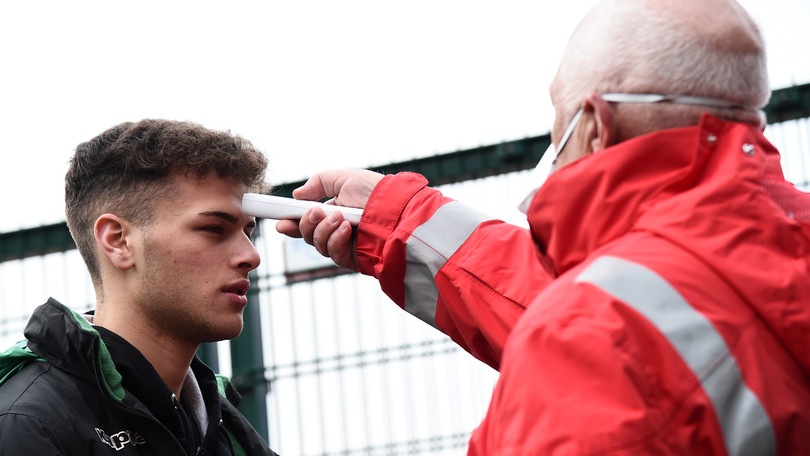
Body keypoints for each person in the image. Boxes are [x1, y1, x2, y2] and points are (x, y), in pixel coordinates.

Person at [276, 0, 810, 453]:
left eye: (559, 116)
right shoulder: (758, 259)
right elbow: (624, 310)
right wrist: (395, 218)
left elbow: (598, 335)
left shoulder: (594, 334)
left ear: (596, 126)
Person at [0, 119, 278, 455]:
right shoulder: (29, 424)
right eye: (214, 229)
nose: (251, 256)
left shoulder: (229, 432)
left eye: (249, 231)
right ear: (118, 241)